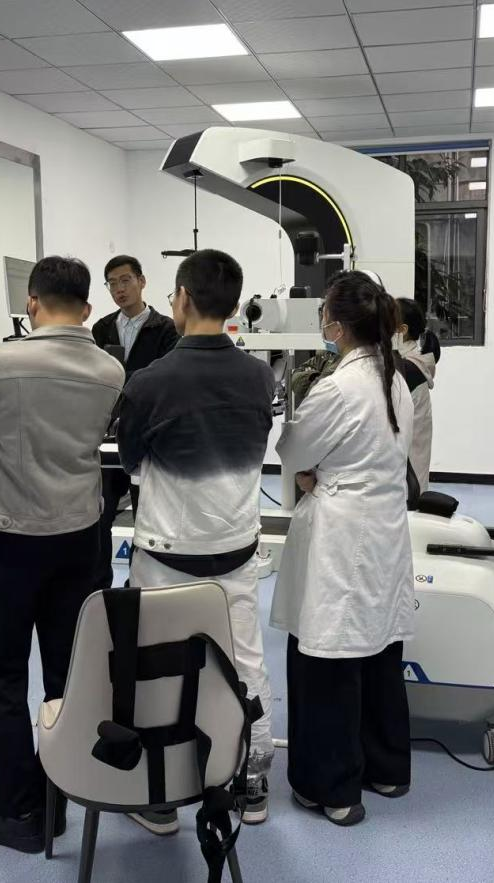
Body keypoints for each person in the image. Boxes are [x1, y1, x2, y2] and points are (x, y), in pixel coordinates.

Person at [0, 256, 125, 854]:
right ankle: (59, 800)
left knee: (2, 674)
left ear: (31, 303)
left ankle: (20, 811)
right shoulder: (110, 369)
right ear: (87, 307)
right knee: (65, 676)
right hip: (80, 537)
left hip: (12, 541)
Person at [116, 249, 276, 832]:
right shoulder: (259, 377)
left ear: (181, 298)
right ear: (234, 305)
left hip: (166, 556)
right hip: (235, 549)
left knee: (157, 669)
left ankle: (160, 800)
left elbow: (131, 463)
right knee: (246, 663)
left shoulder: (149, 383)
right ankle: (251, 784)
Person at [271, 271, 415, 827]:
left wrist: (309, 474)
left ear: (337, 324)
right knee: (379, 649)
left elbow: (294, 449)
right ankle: (387, 768)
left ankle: (332, 788)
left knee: (328, 659)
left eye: (324, 314)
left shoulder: (338, 386)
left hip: (342, 529)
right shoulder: (393, 378)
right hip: (383, 525)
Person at [90, 255, 179, 590]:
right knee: (100, 516)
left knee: (147, 517)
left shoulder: (165, 329)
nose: (119, 289)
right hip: (107, 435)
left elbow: (166, 381)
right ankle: (99, 589)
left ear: (142, 281)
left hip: (147, 437)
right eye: (112, 283)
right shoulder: (101, 329)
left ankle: (139, 587)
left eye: (125, 280)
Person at [393, 297, 439, 492]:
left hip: (405, 476)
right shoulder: (411, 361)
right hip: (407, 471)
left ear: (402, 330)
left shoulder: (407, 369)